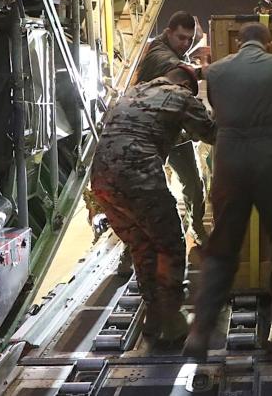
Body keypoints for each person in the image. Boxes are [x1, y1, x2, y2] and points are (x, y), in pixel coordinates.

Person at [183, 22, 272, 359]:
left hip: (230, 157)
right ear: (270, 41)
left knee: (223, 242)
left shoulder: (216, 71)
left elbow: (217, 109)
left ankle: (200, 329)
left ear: (238, 42)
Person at [90, 65, 216, 343]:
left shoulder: (133, 93)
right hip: (137, 178)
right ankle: (171, 319)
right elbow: (212, 133)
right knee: (170, 243)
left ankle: (154, 315)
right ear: (185, 83)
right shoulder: (181, 95)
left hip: (102, 179)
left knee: (142, 245)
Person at [136, 10, 210, 245]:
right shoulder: (159, 54)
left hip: (174, 132)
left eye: (189, 39)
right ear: (168, 33)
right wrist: (201, 69)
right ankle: (142, 244)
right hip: (149, 134)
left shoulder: (176, 46)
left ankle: (196, 227)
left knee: (193, 183)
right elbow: (174, 69)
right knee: (150, 191)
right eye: (181, 38)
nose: (185, 43)